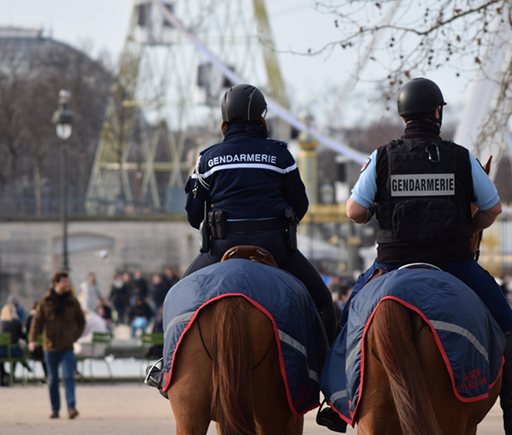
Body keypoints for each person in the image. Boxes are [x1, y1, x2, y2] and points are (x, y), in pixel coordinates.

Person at [320, 77, 512, 433]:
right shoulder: (461, 157)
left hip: (391, 264)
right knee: (508, 325)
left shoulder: (381, 157)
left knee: (346, 325)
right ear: (437, 114)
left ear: (404, 116)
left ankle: (336, 403)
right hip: (454, 263)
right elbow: (493, 209)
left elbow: (354, 212)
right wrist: (464, 230)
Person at [182, 83, 337, 343]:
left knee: (178, 295)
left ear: (224, 122)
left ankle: (166, 367)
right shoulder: (281, 157)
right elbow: (301, 206)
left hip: (222, 247)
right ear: (262, 119)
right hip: (274, 246)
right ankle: (329, 371)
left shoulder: (207, 160)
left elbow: (194, 217)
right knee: (323, 301)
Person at [28, 270, 85, 420]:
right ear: (56, 283)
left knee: (68, 377)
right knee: (52, 379)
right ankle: (55, 409)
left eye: (68, 281)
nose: (68, 284)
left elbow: (81, 321)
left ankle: (71, 407)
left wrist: (74, 336)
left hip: (67, 346)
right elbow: (37, 321)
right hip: (50, 346)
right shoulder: (45, 301)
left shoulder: (72, 301)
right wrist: (32, 339)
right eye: (65, 282)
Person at [0, 303, 29, 386]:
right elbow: (23, 336)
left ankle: (3, 374)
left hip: (1, 351)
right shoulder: (17, 322)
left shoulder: (1, 323)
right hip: (13, 350)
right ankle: (12, 375)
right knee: (16, 354)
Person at [25, 301, 48, 382]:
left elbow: (26, 332)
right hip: (43, 348)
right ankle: (47, 375)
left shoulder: (29, 318)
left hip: (32, 349)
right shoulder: (43, 318)